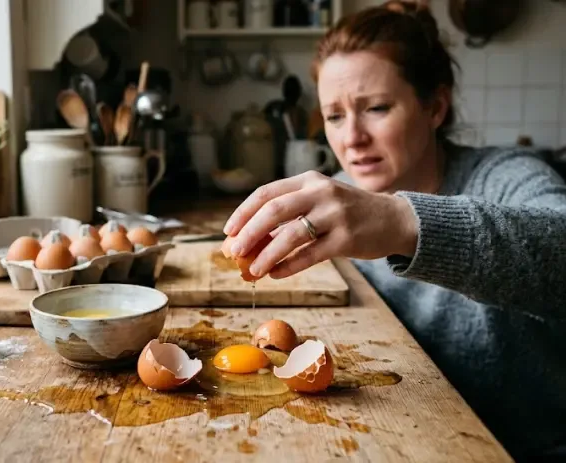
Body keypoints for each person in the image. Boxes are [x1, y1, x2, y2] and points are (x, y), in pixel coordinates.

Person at [221, 1, 566, 460]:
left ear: (435, 107)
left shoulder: (504, 176)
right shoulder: (337, 198)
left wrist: (404, 222)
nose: (352, 138)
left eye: (377, 108)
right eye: (334, 116)